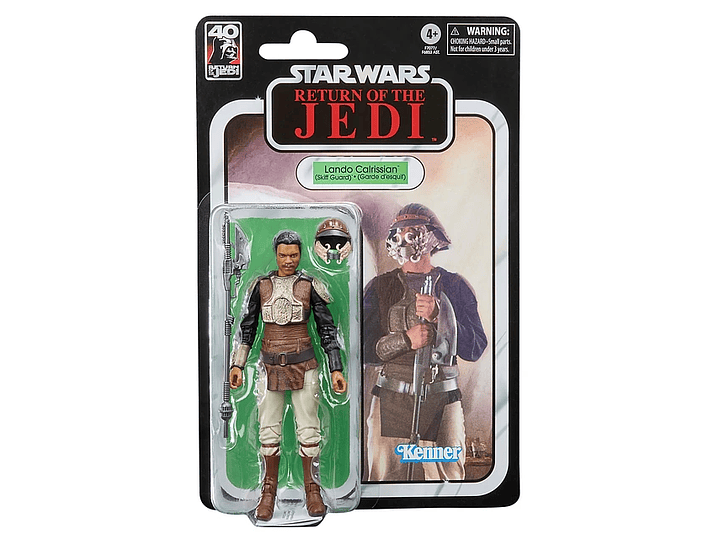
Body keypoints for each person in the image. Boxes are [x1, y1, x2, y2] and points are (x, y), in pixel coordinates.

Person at [363, 203, 487, 481]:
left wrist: (441, 316)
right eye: (399, 233)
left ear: (432, 237)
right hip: (392, 396)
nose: (404, 239)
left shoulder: (455, 286)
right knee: (384, 478)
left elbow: (475, 347)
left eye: (413, 232)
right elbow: (363, 349)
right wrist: (405, 340)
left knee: (447, 481)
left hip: (442, 398)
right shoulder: (380, 287)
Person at [229, 230, 347, 520]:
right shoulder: (261, 286)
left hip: (305, 365)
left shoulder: (310, 286)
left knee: (309, 430)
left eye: (293, 255)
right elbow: (248, 327)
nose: (288, 260)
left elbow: (327, 330)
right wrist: (238, 364)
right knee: (268, 431)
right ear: (276, 254)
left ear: (300, 254)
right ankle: (268, 491)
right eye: (283, 255)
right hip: (269, 366)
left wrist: (335, 368)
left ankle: (312, 488)